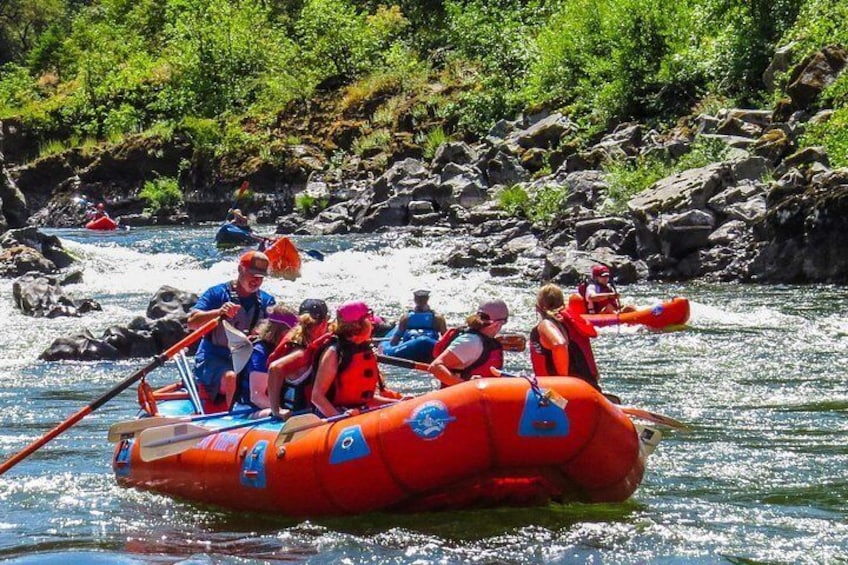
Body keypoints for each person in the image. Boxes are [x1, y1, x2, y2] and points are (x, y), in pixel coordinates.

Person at [187, 250, 276, 408]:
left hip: (247, 357)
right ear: (241, 269)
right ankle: (232, 416)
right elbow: (192, 322)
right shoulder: (216, 293)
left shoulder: (266, 300)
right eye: (252, 275)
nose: (256, 281)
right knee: (231, 377)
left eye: (260, 277)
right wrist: (219, 312)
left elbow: (283, 322)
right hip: (214, 357)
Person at [311, 301, 397, 417]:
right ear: (358, 325)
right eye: (368, 321)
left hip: (357, 412)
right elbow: (317, 396)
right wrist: (339, 417)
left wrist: (398, 404)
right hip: (333, 415)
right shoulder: (334, 353)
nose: (372, 325)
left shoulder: (364, 349)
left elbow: (367, 400)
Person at [263, 298, 331, 420]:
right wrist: (276, 409)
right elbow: (275, 368)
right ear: (324, 323)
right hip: (295, 417)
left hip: (304, 415)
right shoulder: (301, 353)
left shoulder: (303, 342)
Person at [530, 283, 601, 390]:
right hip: (589, 387)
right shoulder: (571, 322)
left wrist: (563, 383)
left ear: (538, 307)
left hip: (569, 392)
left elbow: (560, 345)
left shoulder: (545, 325)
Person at [428, 299, 508, 387]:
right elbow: (435, 367)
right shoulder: (471, 342)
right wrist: (466, 387)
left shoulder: (481, 341)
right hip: (458, 397)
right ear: (498, 323)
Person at [234, 303, 299, 409]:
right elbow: (257, 396)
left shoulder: (287, 348)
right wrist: (280, 411)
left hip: (274, 406)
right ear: (284, 333)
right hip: (249, 409)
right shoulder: (261, 352)